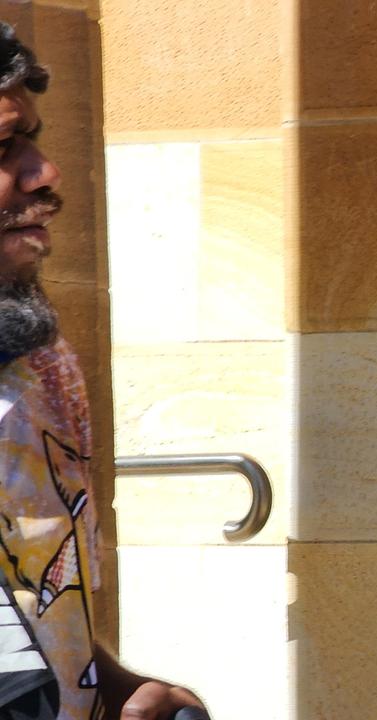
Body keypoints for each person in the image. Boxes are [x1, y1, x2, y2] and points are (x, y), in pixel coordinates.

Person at [0, 23, 206, 720]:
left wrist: (109, 684)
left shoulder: (40, 366)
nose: (45, 171)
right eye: (3, 147)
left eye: (31, 138)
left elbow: (34, 594)